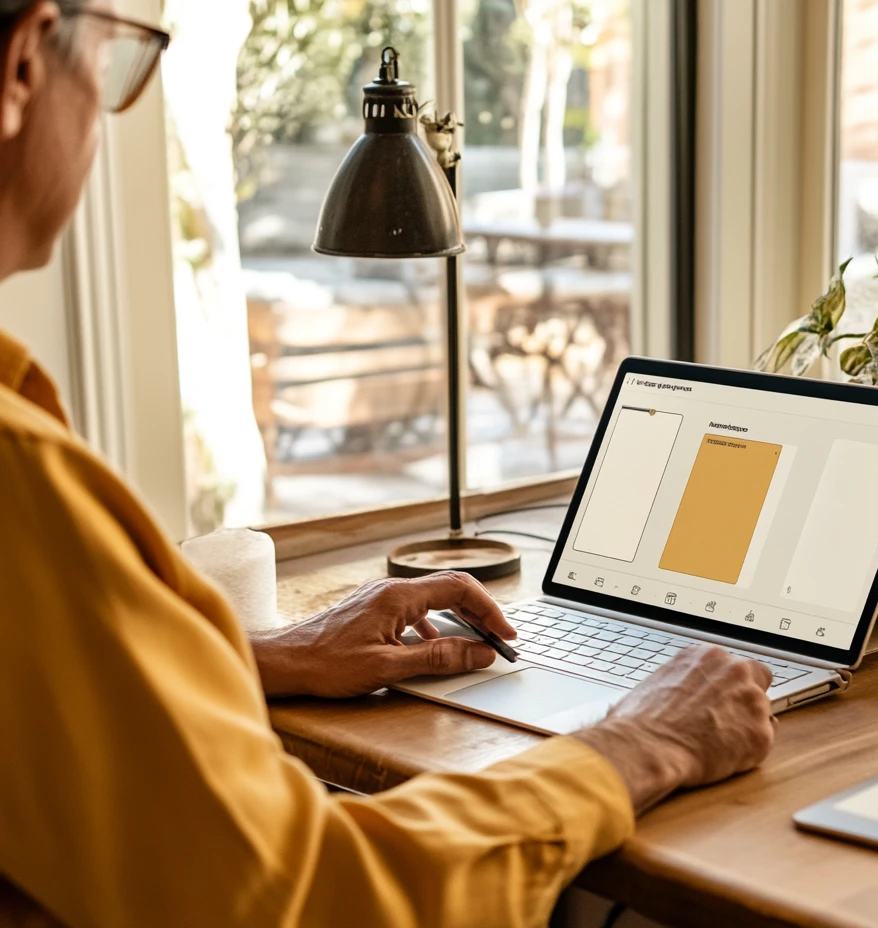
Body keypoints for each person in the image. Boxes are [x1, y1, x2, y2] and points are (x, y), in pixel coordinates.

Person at [0, 2, 777, 926]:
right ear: (22, 68)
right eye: (113, 63)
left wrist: (271, 656)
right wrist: (638, 743)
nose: (104, 112)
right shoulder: (17, 475)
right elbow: (318, 900)